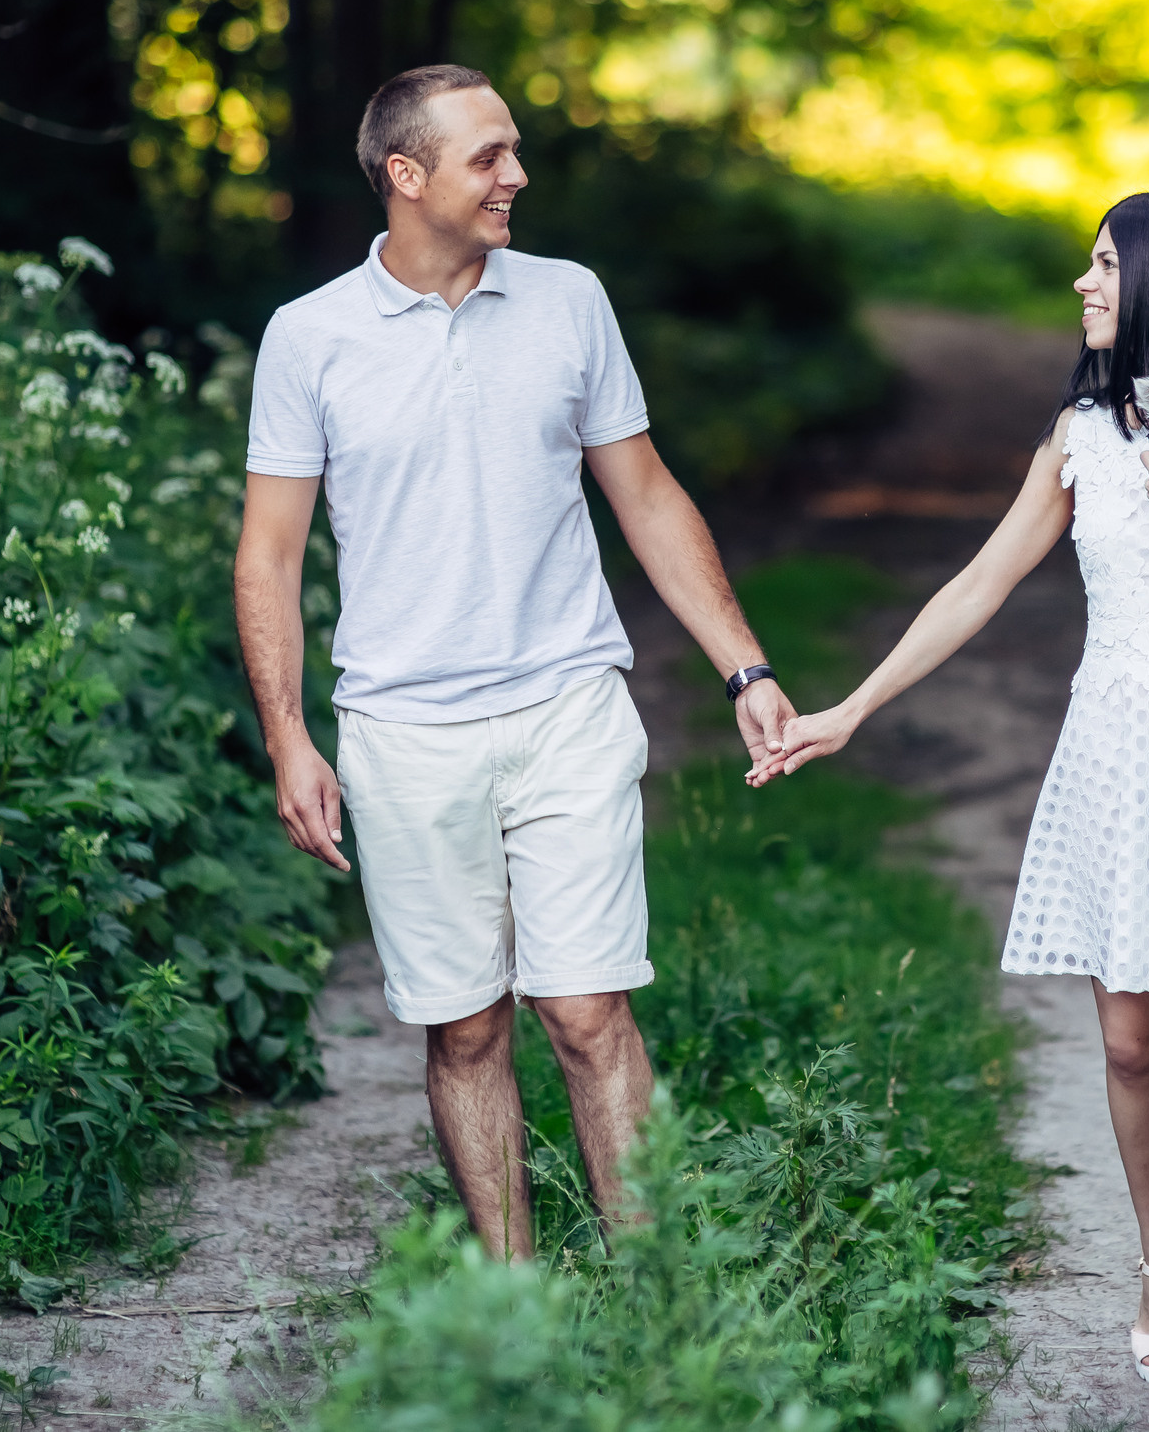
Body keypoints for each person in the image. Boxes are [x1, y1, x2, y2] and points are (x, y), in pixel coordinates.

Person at [752, 189, 1149, 1432]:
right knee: (1133, 1044)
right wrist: (849, 708)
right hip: (1116, 748)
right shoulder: (1080, 432)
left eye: (1101, 266)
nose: (1082, 287)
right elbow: (980, 580)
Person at [233, 63, 799, 1258]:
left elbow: (643, 493)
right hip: (403, 728)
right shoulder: (309, 336)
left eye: (514, 150)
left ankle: (654, 1295)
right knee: (465, 1030)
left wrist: (744, 669)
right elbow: (269, 552)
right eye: (489, 155)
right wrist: (289, 734)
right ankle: (514, 1300)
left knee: (589, 1010)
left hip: (565, 701)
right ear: (406, 175)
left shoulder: (569, 300)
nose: (516, 176)